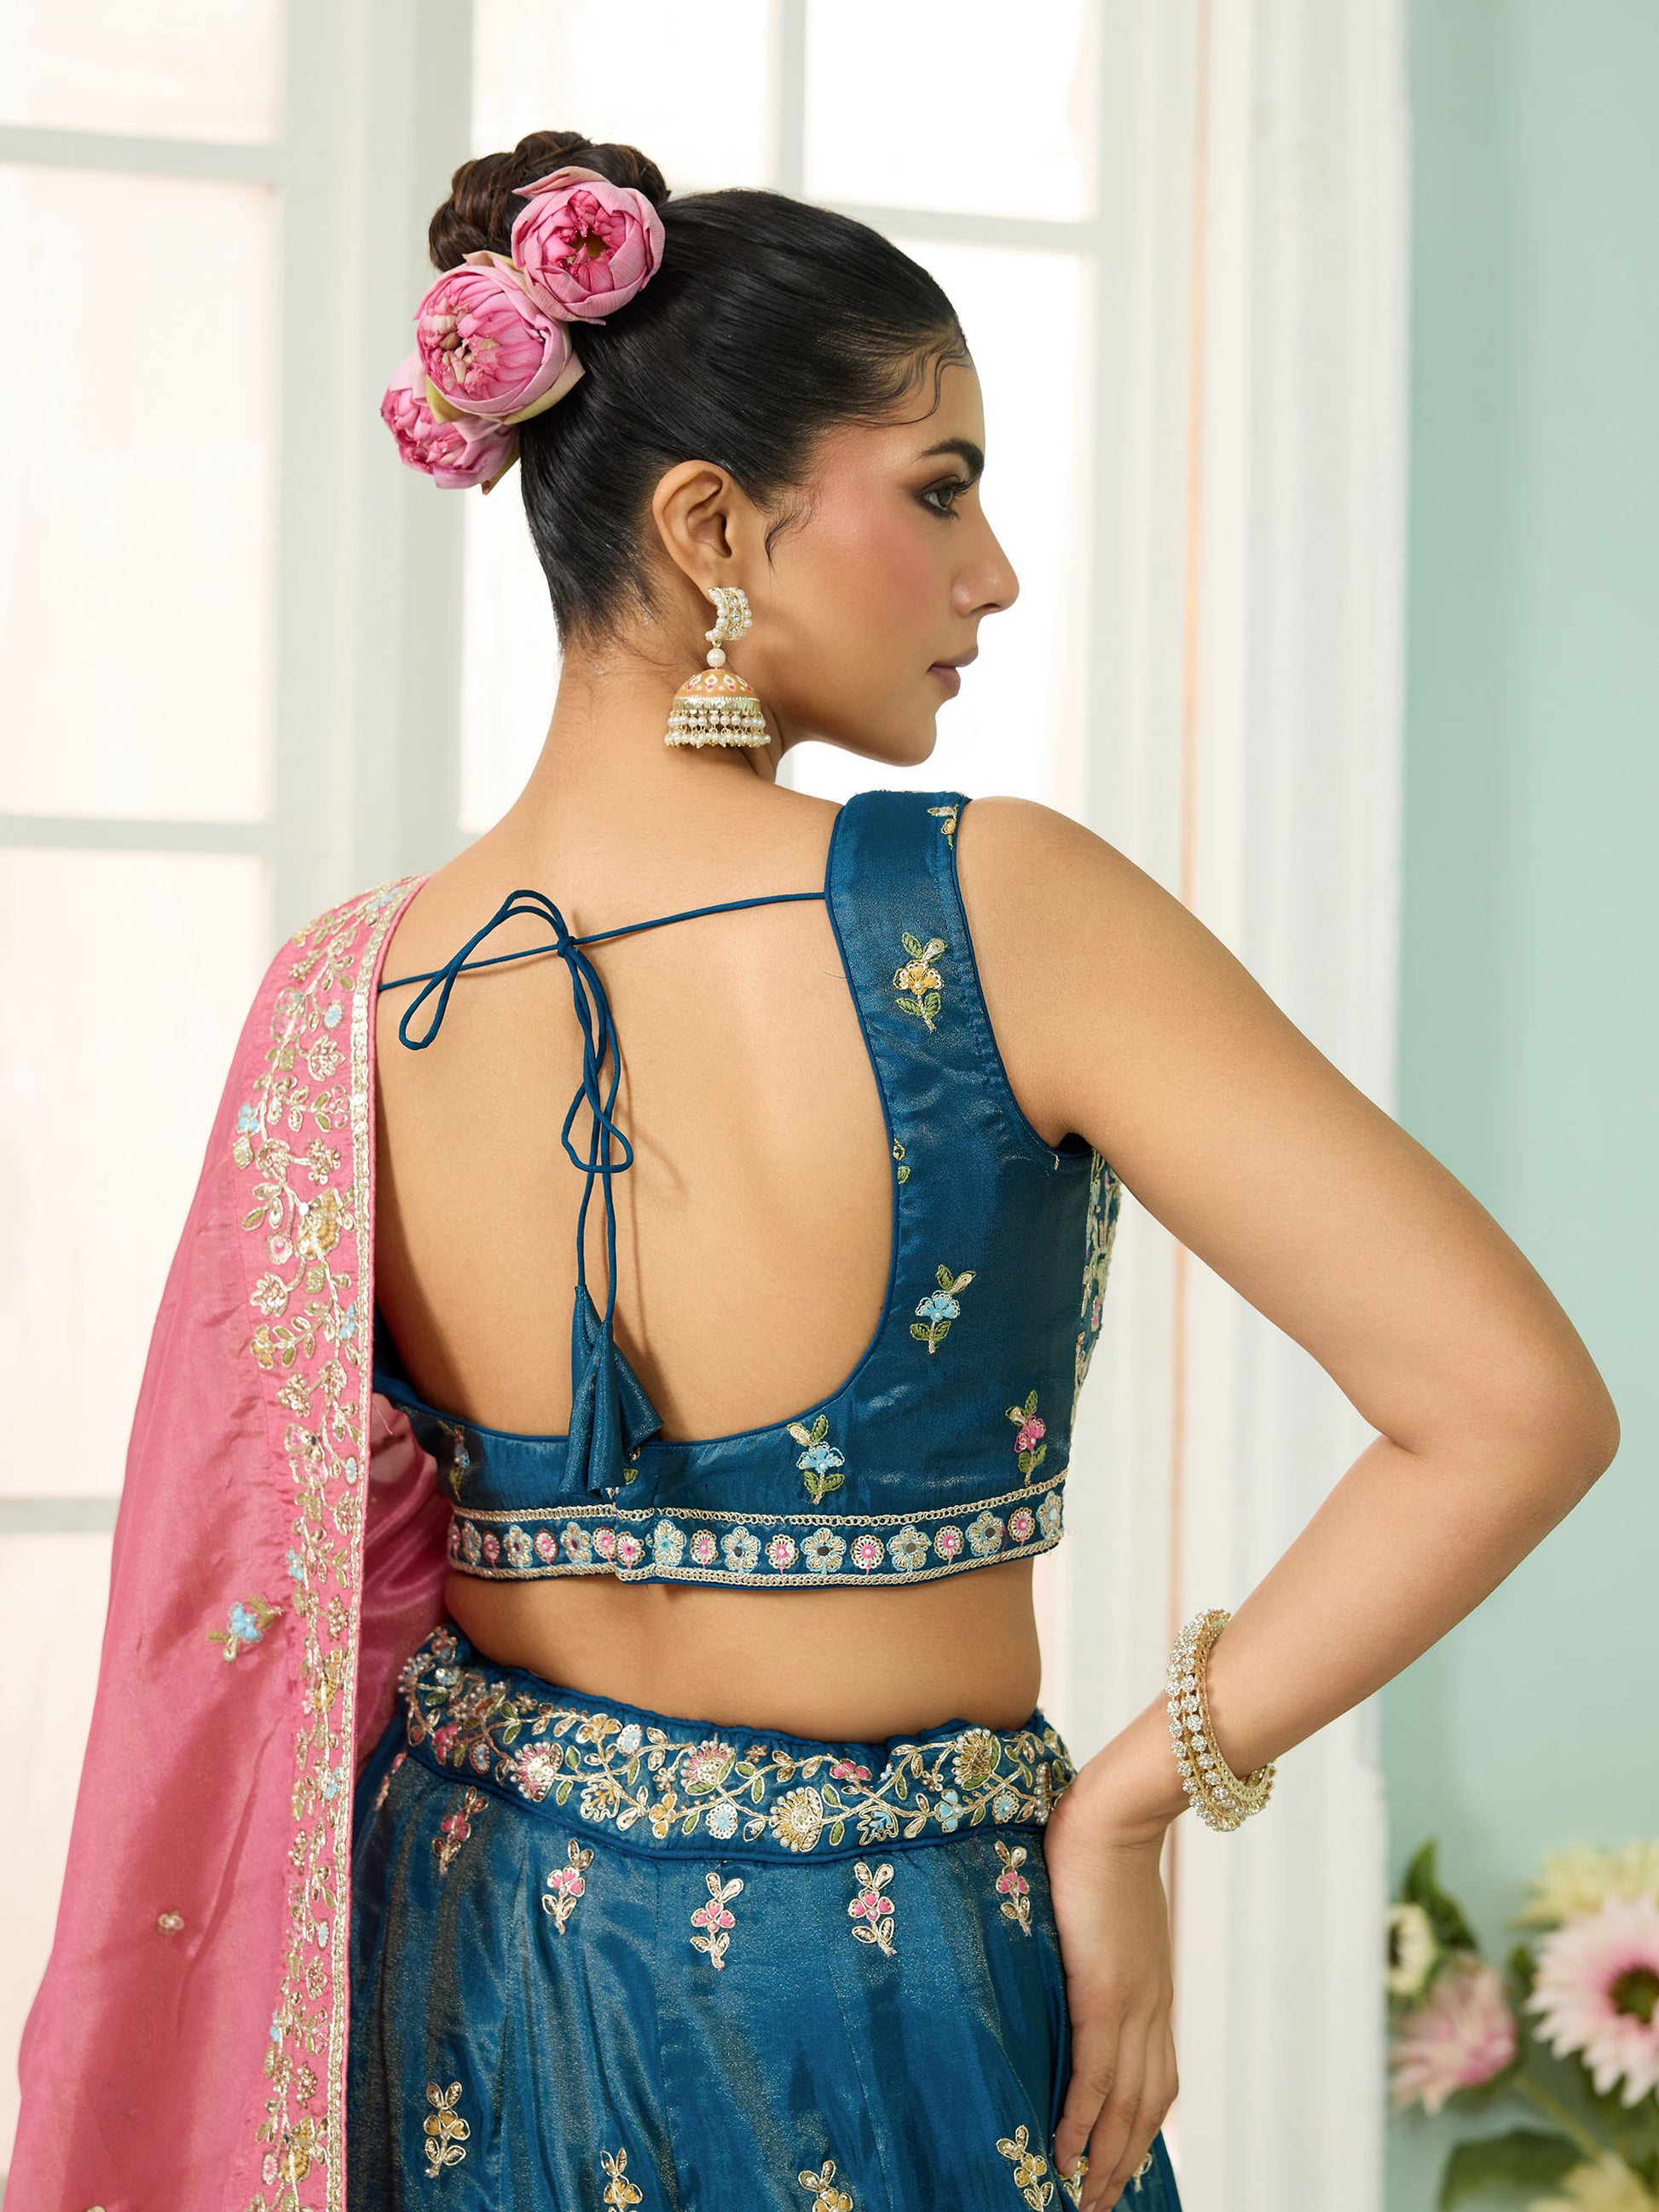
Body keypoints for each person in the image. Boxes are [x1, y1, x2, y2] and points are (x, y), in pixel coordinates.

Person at [9, 130, 1618, 2212]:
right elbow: (1511, 1405)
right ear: (709, 527)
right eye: (938, 487)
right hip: (881, 1992)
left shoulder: (345, 995)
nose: (993, 570)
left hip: (456, 1977)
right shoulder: (994, 908)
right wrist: (1135, 1795)